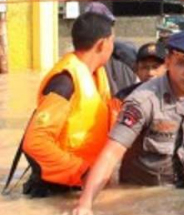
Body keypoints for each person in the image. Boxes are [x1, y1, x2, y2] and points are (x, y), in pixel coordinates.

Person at [73, 32, 184, 215]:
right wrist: (85, 205)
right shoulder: (142, 102)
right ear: (168, 62)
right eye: (181, 64)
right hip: (143, 195)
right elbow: (111, 154)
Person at [21, 12, 115, 197]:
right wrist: (83, 172)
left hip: (81, 187)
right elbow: (35, 143)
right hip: (58, 191)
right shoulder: (65, 82)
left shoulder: (97, 75)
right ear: (103, 44)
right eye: (112, 41)